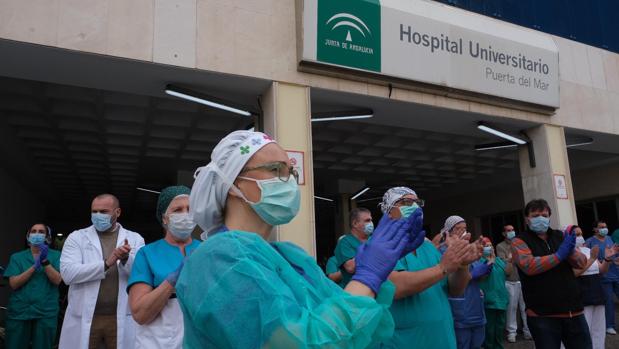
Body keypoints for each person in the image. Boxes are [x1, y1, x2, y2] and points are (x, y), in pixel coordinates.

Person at [176, 130, 426, 348]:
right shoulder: (217, 260)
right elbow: (302, 344)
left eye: (291, 172)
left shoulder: (289, 256)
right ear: (231, 183)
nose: (289, 181)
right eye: (276, 170)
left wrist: (380, 266)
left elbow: (356, 333)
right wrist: (368, 276)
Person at [379, 187, 479, 349]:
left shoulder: (427, 247)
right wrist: (442, 267)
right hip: (405, 341)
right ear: (389, 211)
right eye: (406, 202)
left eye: (417, 203)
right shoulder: (381, 245)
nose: (415, 207)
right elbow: (396, 286)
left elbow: (454, 289)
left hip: (442, 339)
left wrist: (462, 265)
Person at [59, 194, 145, 349]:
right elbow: (68, 274)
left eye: (104, 211)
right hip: (85, 316)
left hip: (120, 317)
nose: (98, 215)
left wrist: (125, 259)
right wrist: (106, 264)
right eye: (94, 211)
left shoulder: (134, 238)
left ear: (117, 212)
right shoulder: (77, 237)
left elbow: (141, 274)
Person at [128, 186, 201, 348]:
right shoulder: (147, 254)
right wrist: (171, 282)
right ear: (165, 218)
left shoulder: (206, 250)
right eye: (177, 210)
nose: (185, 214)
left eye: (190, 209)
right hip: (157, 342)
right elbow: (140, 314)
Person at [511, 199, 590, 349]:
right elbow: (529, 265)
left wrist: (571, 251)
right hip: (542, 315)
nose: (540, 218)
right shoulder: (519, 241)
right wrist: (559, 255)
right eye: (535, 215)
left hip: (574, 311)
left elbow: (581, 263)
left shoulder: (559, 236)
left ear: (549, 217)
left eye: (544, 214)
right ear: (527, 219)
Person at [4, 224, 62, 349]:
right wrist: (34, 267)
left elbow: (57, 280)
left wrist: (44, 261)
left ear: (48, 238)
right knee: (14, 345)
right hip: (20, 311)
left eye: (41, 232)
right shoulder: (17, 257)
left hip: (45, 311)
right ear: (28, 236)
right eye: (33, 231)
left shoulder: (56, 256)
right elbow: (14, 284)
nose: (37, 234)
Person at [440, 216, 491, 349]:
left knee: (477, 343)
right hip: (460, 309)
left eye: (464, 228)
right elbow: (445, 276)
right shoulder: (443, 250)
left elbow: (479, 272)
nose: (462, 231)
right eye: (458, 229)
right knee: (462, 343)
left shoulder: (470, 248)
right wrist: (472, 273)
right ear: (448, 231)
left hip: (475, 305)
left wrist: (486, 266)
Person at [571, 225, 618, 349]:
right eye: (576, 235)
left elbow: (602, 270)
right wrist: (591, 259)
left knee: (598, 330)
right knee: (584, 330)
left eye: (580, 234)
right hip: (582, 295)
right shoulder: (567, 254)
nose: (579, 237)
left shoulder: (587, 250)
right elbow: (574, 273)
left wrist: (607, 259)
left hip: (597, 292)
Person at [495, 224, 531, 343]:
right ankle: (512, 332)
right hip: (510, 280)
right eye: (508, 230)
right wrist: (511, 258)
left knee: (525, 307)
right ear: (503, 233)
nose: (511, 232)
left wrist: (513, 258)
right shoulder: (500, 246)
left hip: (523, 279)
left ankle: (528, 331)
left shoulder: (520, 243)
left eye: (512, 230)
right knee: (512, 307)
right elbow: (502, 262)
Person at [584, 220, 619, 335]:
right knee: (608, 302)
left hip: (616, 274)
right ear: (595, 229)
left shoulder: (609, 238)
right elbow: (587, 258)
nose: (604, 229)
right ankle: (609, 325)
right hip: (603, 277)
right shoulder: (589, 242)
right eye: (601, 227)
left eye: (605, 226)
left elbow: (615, 251)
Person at [479, 237, 511, 349]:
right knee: (489, 331)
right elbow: (482, 277)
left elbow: (508, 273)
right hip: (488, 301)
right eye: (486, 245)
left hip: (501, 300)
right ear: (480, 248)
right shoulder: (478, 261)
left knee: (499, 330)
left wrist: (511, 262)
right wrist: (489, 262)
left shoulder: (498, 260)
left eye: (490, 245)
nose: (489, 247)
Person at [334, 207, 374, 287]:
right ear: (355, 223)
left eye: (371, 220)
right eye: (367, 220)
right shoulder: (345, 242)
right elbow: (350, 267)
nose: (371, 223)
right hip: (357, 292)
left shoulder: (374, 240)